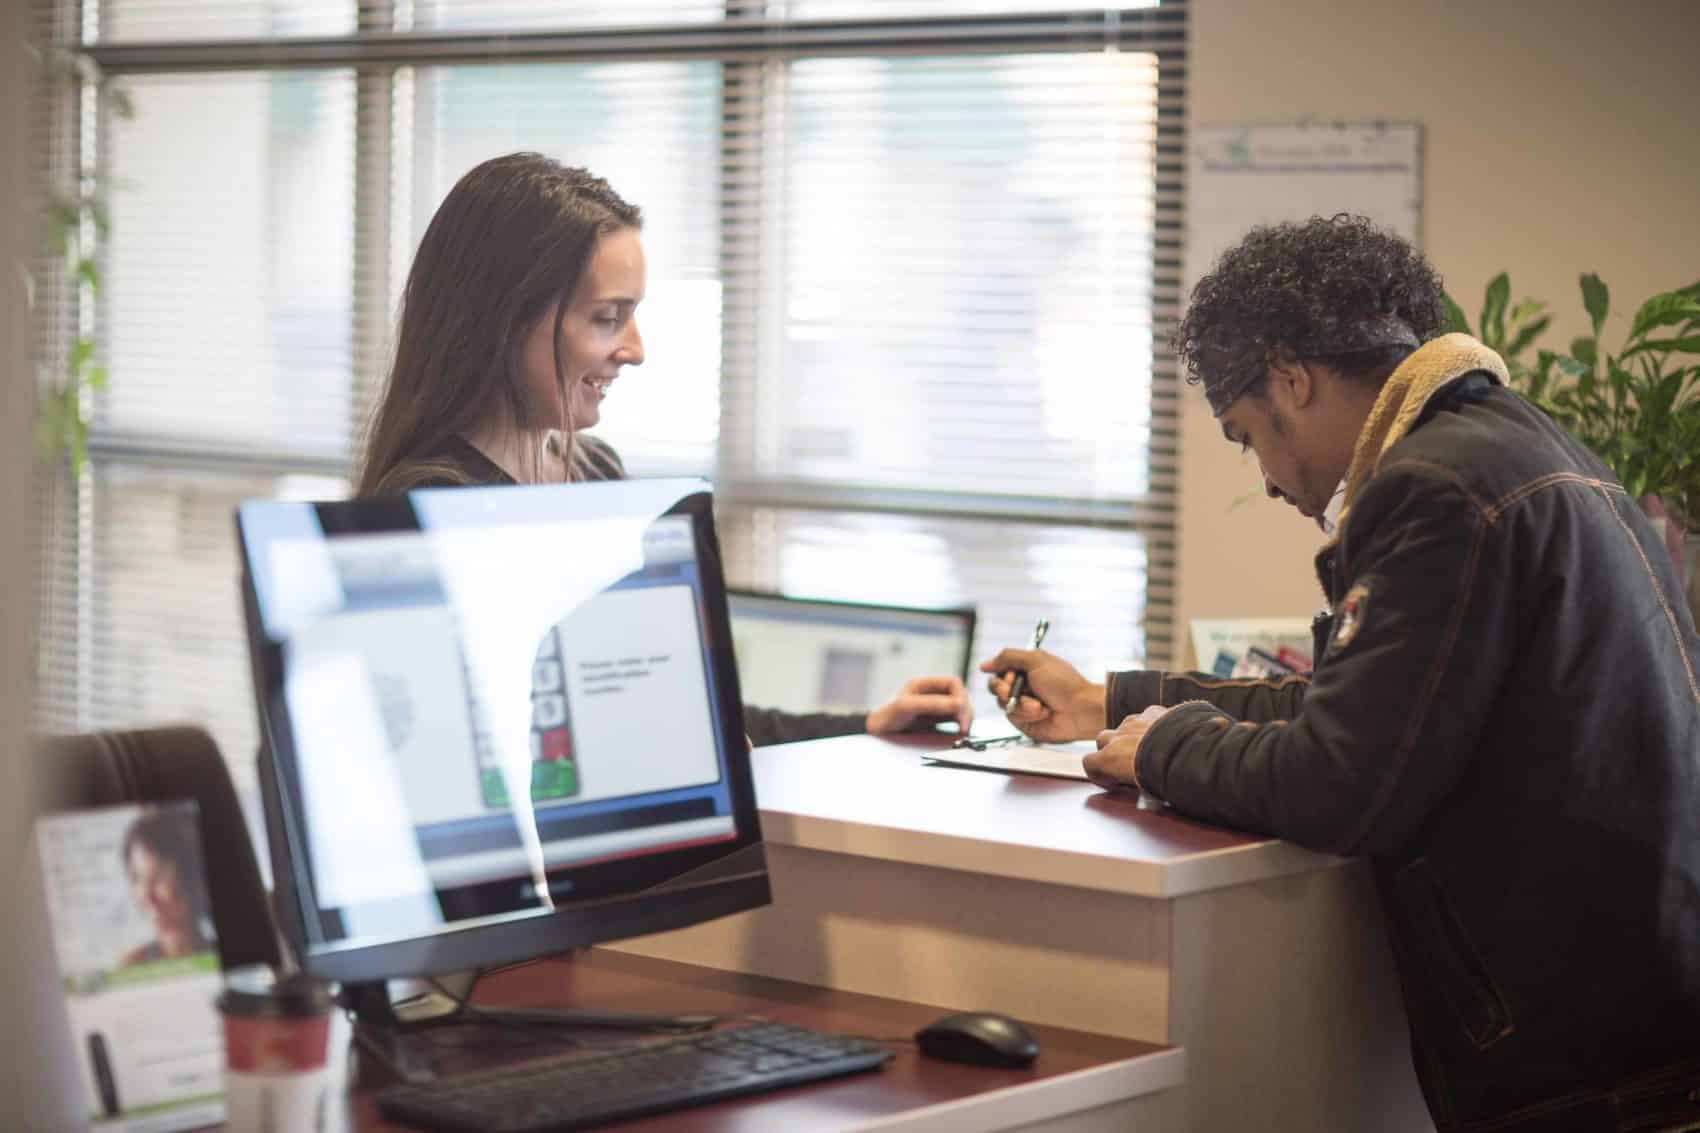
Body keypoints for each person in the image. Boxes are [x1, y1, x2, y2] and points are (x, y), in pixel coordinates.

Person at [983, 216, 1700, 1131]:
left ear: (1292, 379)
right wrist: (1108, 702)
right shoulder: (1527, 452)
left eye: (1247, 434)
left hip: (1582, 1073)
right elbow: (1366, 706)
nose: (1270, 478)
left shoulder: (1431, 488)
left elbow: (1339, 782)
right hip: (1641, 1032)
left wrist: (1163, 746)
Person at [356, 152, 970, 746]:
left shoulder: (593, 470)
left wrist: (862, 726)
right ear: (507, 320)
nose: (635, 348)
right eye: (606, 317)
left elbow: (680, 708)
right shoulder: (428, 506)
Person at [119, 807, 215, 966]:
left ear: (189, 878)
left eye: (158, 878)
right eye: (137, 878)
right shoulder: (132, 965)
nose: (146, 895)